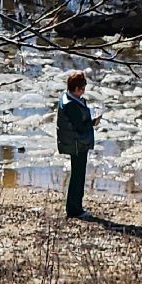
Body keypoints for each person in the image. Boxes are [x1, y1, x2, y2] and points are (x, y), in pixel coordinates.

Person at [56, 70, 100, 218]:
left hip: (76, 143)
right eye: (82, 87)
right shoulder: (71, 105)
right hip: (77, 144)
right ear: (76, 88)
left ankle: (74, 207)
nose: (84, 90)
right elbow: (80, 127)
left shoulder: (68, 98)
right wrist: (93, 122)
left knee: (77, 175)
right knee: (78, 176)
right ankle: (75, 209)